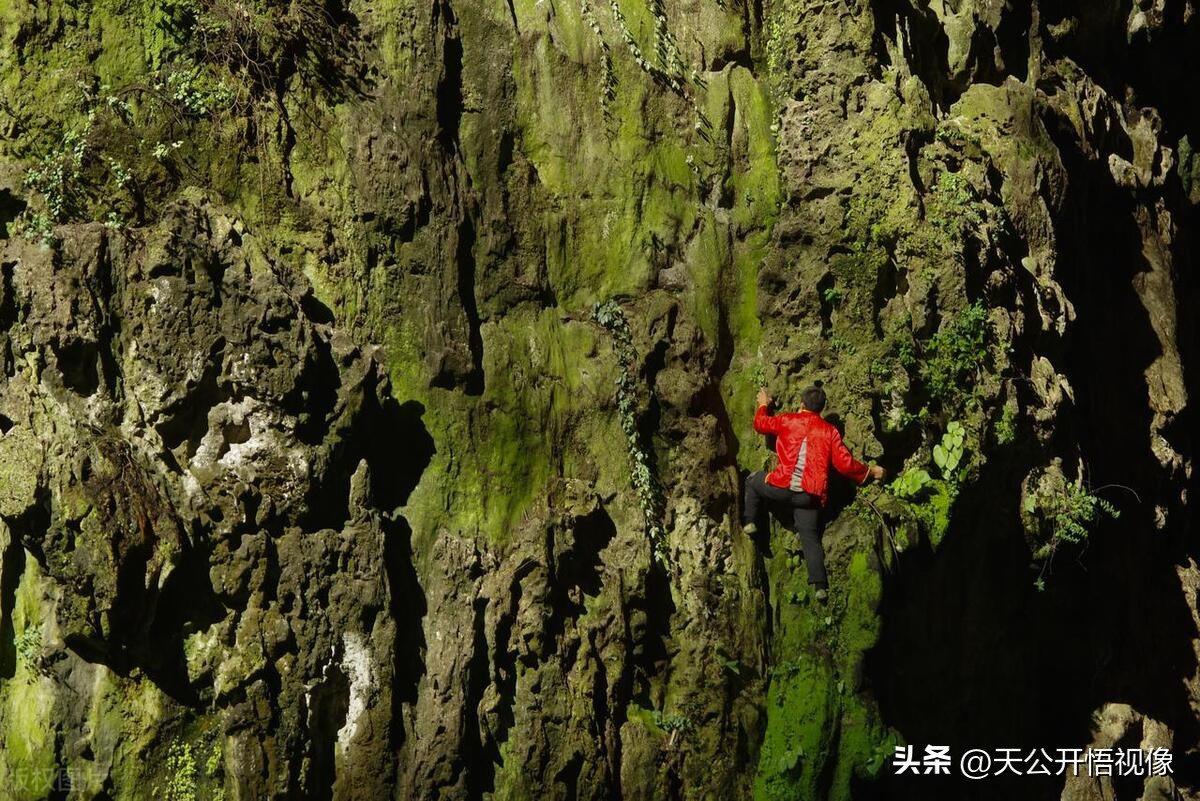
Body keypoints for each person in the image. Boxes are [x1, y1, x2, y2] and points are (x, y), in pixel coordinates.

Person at [743, 385, 886, 602]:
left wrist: (763, 404)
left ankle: (750, 522)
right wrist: (870, 472)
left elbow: (760, 425)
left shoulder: (788, 420)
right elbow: (845, 465)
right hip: (809, 496)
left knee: (753, 481)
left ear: (802, 403)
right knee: (809, 537)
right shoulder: (829, 431)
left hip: (782, 486)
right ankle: (820, 586)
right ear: (821, 408)